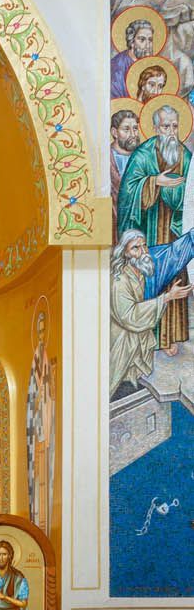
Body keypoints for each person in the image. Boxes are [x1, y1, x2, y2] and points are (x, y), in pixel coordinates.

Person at [117, 103, 191, 351]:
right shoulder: (143, 154)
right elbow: (127, 193)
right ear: (156, 128)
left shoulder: (186, 156)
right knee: (151, 278)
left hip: (173, 228)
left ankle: (169, 337)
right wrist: (153, 183)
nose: (171, 131)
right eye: (166, 126)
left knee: (173, 277)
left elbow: (190, 193)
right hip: (148, 228)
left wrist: (174, 191)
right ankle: (149, 340)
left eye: (175, 126)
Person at [109, 227, 194, 398]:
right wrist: (167, 297)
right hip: (122, 343)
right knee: (118, 382)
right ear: (124, 253)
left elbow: (171, 255)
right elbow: (130, 316)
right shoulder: (120, 281)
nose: (143, 252)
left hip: (135, 340)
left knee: (134, 380)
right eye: (135, 248)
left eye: (144, 246)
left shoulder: (139, 272)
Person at [26, 309, 55, 534]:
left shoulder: (45, 356)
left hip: (48, 418)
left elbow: (50, 390)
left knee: (47, 472)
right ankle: (38, 525)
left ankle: (45, 526)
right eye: (40, 331)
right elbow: (32, 393)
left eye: (45, 330)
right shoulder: (36, 357)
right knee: (38, 476)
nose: (43, 334)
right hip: (37, 424)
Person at [110, 17, 157, 99]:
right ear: (131, 42)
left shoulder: (151, 63)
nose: (148, 45)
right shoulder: (117, 67)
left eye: (150, 40)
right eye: (142, 40)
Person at [109, 108, 140, 211]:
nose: (132, 134)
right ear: (114, 132)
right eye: (126, 129)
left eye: (135, 128)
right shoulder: (106, 158)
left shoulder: (142, 156)